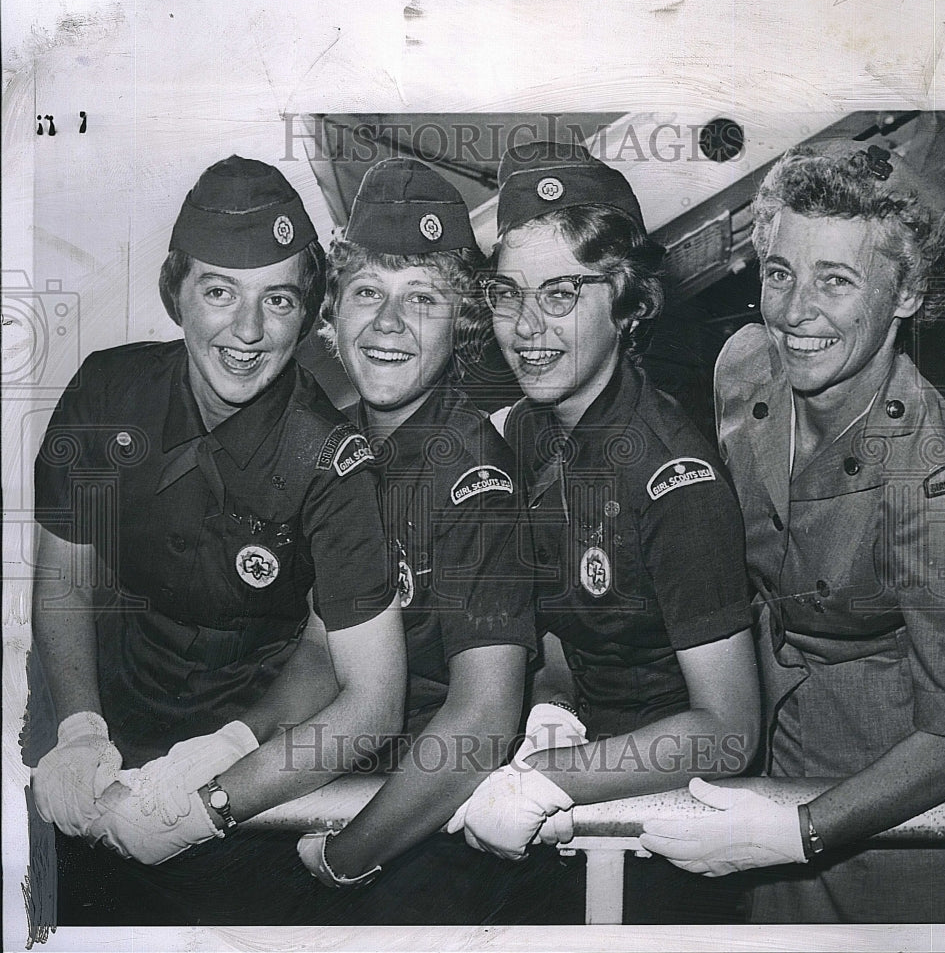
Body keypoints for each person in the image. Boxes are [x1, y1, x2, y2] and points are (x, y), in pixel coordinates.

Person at [28, 156, 405, 924]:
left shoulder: (331, 462)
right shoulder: (108, 393)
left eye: (278, 299)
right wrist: (77, 725)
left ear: (307, 316)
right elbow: (66, 577)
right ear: (177, 293)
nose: (247, 331)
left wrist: (213, 796)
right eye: (219, 292)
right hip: (104, 742)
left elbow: (371, 701)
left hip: (251, 774)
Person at [638, 140, 945, 922]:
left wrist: (800, 832)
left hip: (896, 804)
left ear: (905, 295)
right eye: (780, 272)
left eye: (836, 280)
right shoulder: (744, 367)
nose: (795, 313)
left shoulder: (935, 482)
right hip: (768, 770)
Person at [460, 142, 761, 922]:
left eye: (561, 295)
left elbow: (729, 729)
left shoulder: (672, 479)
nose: (527, 328)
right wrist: (550, 703)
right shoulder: (524, 436)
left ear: (627, 303)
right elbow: (567, 618)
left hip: (669, 825)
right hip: (578, 787)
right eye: (508, 294)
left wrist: (555, 776)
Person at [295, 158, 564, 923]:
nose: (386, 324)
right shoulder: (334, 452)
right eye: (368, 292)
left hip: (430, 832)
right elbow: (318, 658)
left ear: (466, 322)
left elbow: (479, 722)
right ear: (332, 313)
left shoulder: (472, 471)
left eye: (422, 299)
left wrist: (348, 858)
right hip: (342, 788)